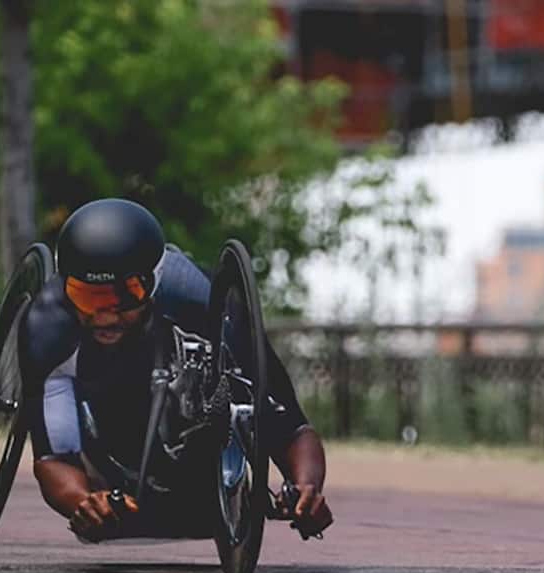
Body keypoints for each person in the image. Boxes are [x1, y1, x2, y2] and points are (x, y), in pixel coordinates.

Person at [17, 198, 328, 542]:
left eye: (125, 296)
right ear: (66, 287)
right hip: (112, 459)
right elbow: (53, 456)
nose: (105, 316)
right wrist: (82, 502)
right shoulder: (48, 326)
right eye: (88, 297)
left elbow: (291, 427)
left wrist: (306, 488)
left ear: (154, 281)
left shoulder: (204, 300)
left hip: (197, 469)